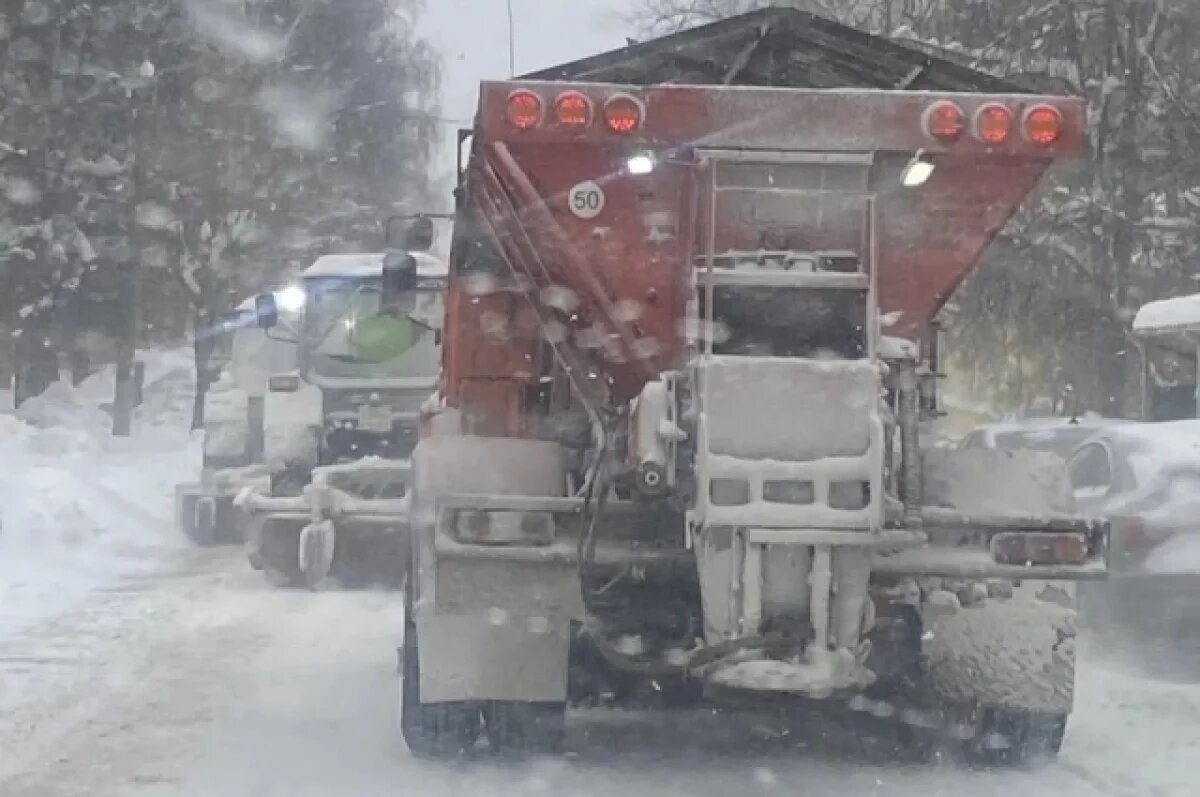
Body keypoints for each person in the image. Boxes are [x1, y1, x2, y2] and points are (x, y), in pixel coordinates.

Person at [348, 251, 435, 363]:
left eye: (403, 297)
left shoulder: (360, 328)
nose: (398, 301)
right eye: (394, 296)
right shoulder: (422, 332)